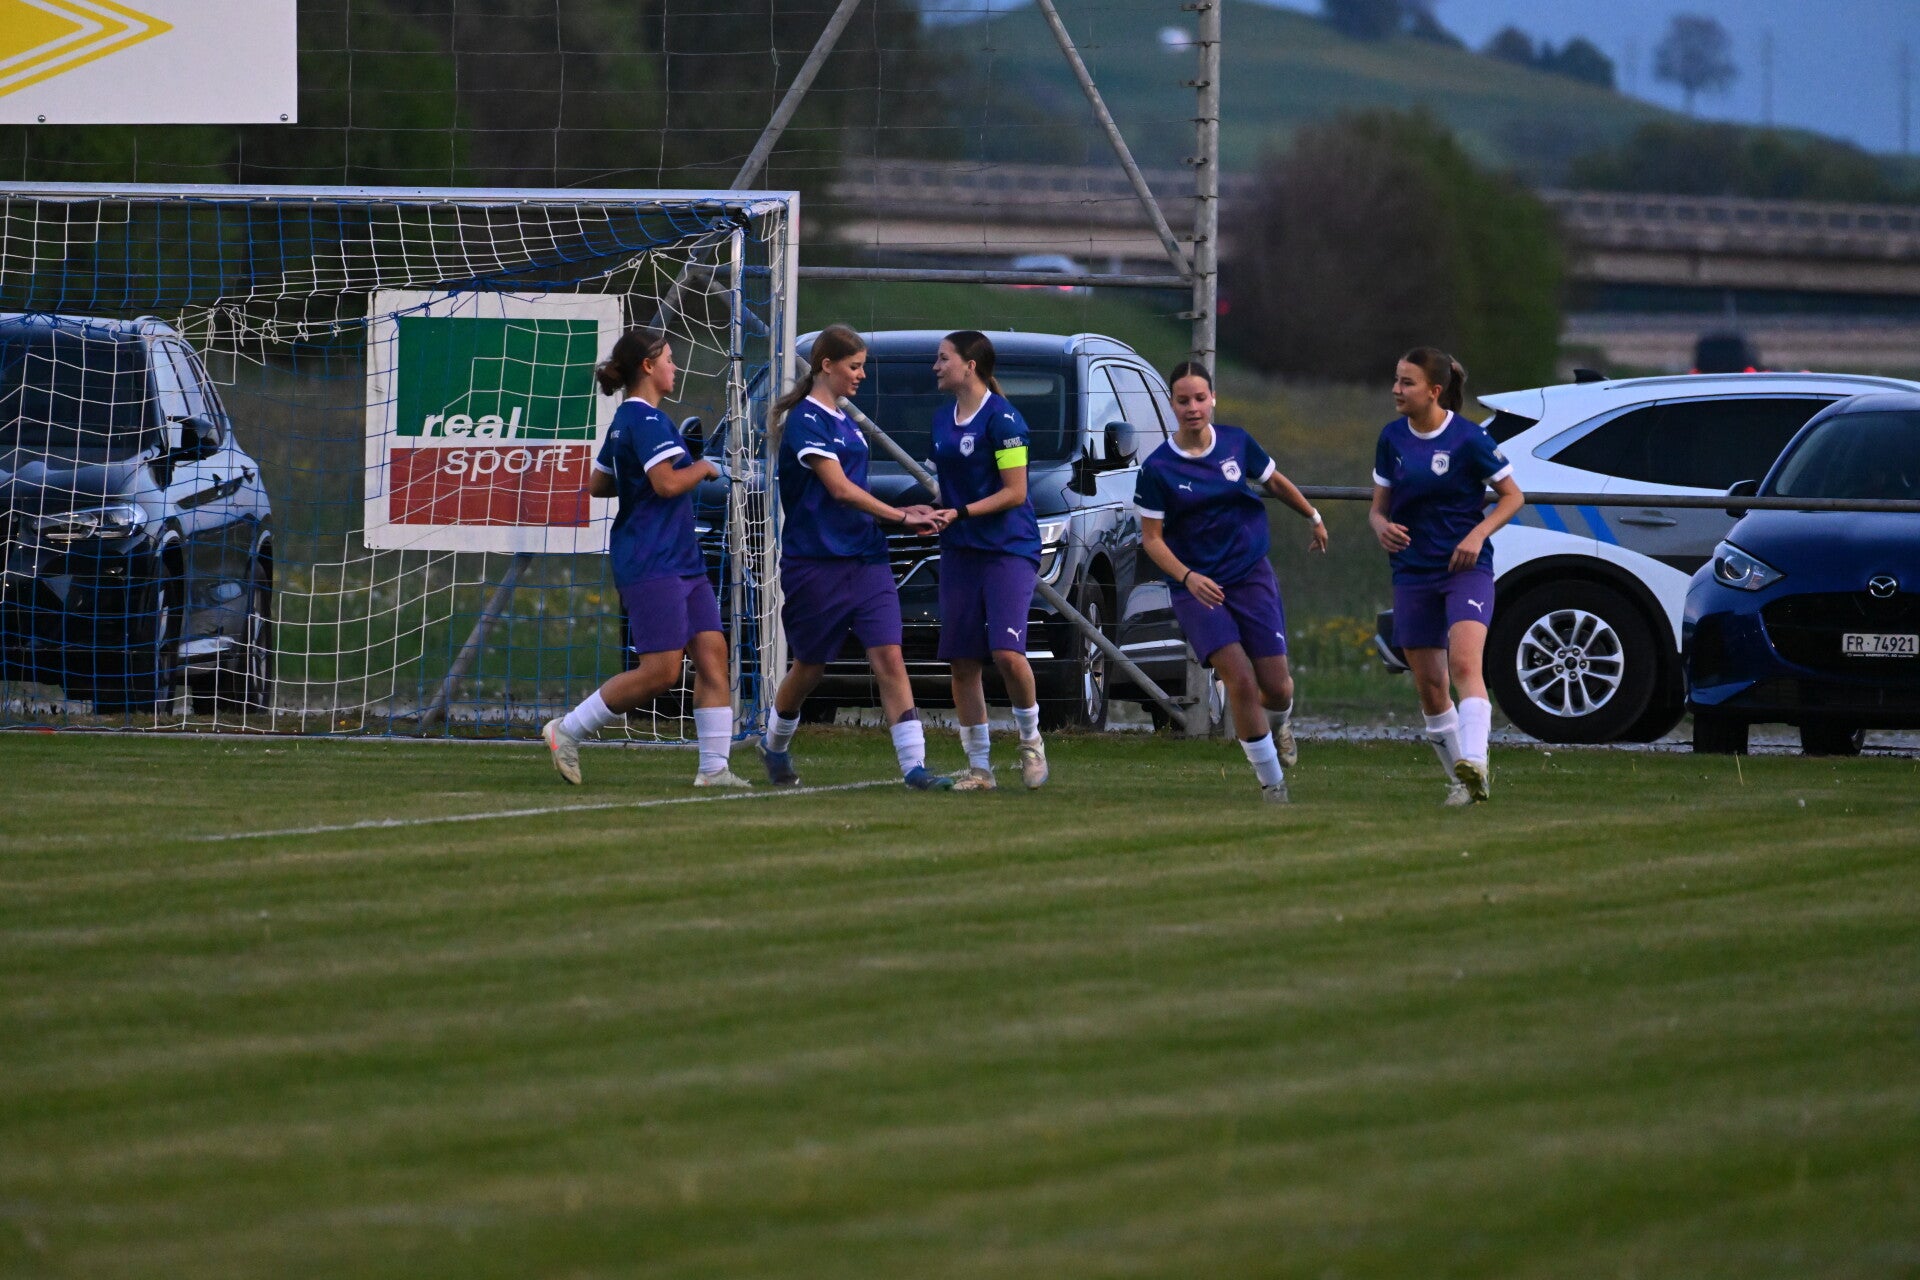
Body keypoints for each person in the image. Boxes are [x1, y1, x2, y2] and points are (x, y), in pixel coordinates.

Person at [542, 327, 749, 788]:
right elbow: (667, 484)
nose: (676, 367)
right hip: (653, 560)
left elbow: (599, 484)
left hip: (681, 559)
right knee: (661, 671)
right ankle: (567, 729)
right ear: (649, 367)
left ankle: (714, 769)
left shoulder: (626, 420)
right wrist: (704, 466)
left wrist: (644, 477)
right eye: (669, 359)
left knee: (713, 656)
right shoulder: (648, 420)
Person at [757, 324, 953, 791]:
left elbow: (856, 493)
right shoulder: (806, 420)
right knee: (809, 666)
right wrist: (901, 517)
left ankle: (915, 768)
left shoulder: (845, 420)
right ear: (826, 366)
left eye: (863, 366)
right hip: (816, 563)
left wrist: (904, 512)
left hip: (866, 558)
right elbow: (840, 490)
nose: (861, 375)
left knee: (889, 656)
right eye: (854, 366)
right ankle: (774, 745)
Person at [1135, 361, 1327, 803]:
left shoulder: (1237, 443)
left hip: (1249, 575)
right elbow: (1152, 540)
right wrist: (1188, 576)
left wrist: (1313, 516)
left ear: (1213, 399)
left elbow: (1274, 481)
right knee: (1239, 679)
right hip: (1197, 588)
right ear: (1171, 404)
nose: (1192, 407)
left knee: (1277, 686)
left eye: (1200, 398)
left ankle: (1280, 727)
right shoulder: (1158, 468)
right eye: (1183, 400)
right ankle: (1273, 786)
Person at [1369, 348, 1525, 805]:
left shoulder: (1469, 438)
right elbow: (1378, 510)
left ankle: (1475, 760)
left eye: (1407, 382)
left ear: (1434, 391)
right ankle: (1465, 782)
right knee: (1431, 687)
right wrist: (1381, 527)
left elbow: (1513, 496)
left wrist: (1476, 535)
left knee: (1465, 666)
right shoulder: (1391, 438)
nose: (1396, 390)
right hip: (1412, 572)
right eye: (1396, 380)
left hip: (1465, 570)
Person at [926, 331, 1048, 792]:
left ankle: (1031, 742)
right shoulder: (941, 420)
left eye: (943, 358)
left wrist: (959, 512)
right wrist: (929, 511)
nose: (936, 367)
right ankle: (980, 768)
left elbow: (1015, 492)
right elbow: (949, 490)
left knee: (1006, 653)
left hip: (1007, 549)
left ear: (970, 365)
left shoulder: (1004, 419)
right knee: (962, 660)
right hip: (960, 550)